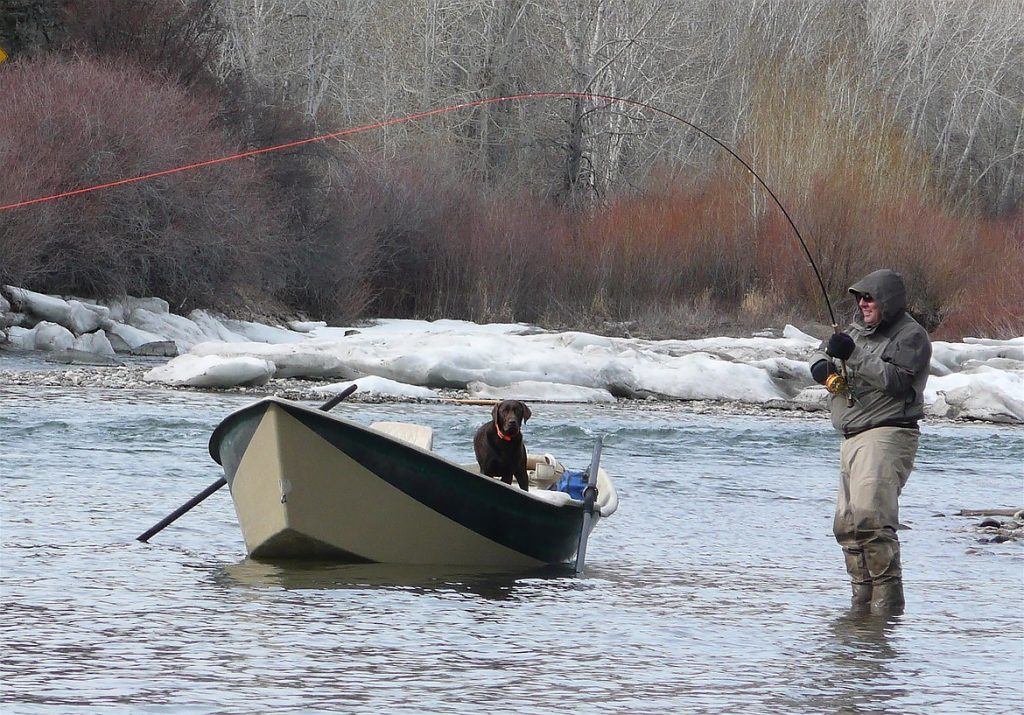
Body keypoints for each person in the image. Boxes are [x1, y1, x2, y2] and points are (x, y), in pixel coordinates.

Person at [809, 269, 931, 615]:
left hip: (888, 434)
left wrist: (853, 356)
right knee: (847, 526)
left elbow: (895, 381)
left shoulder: (911, 336)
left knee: (871, 521)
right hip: (852, 437)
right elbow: (820, 354)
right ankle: (862, 615)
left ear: (887, 302)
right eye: (859, 298)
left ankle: (887, 611)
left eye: (870, 297)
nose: (863, 303)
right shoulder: (855, 332)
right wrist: (823, 369)